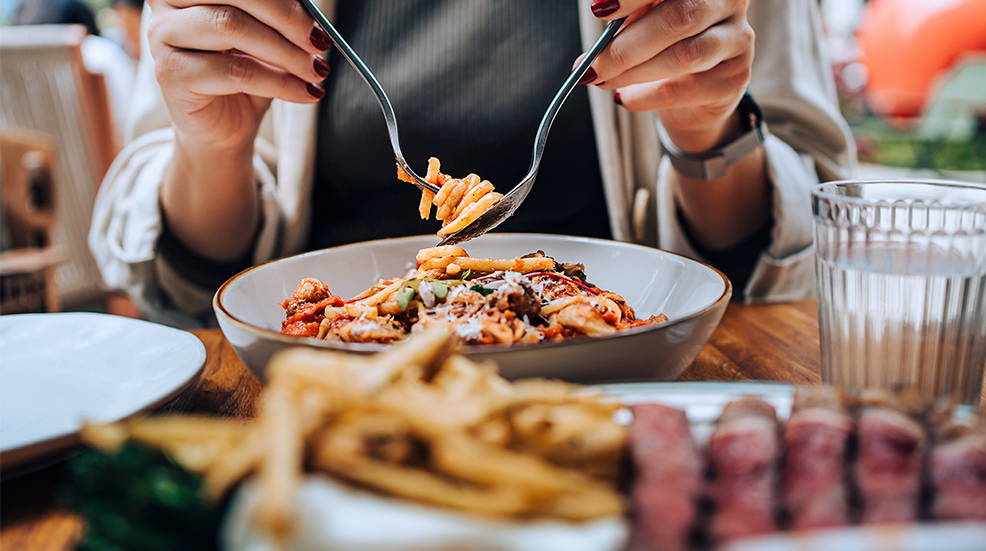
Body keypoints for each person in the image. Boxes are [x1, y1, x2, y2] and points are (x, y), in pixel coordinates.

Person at [89, 0, 856, 328]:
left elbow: (804, 237)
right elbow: (185, 281)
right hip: (315, 379)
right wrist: (213, 146)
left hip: (624, 373)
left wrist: (705, 128)